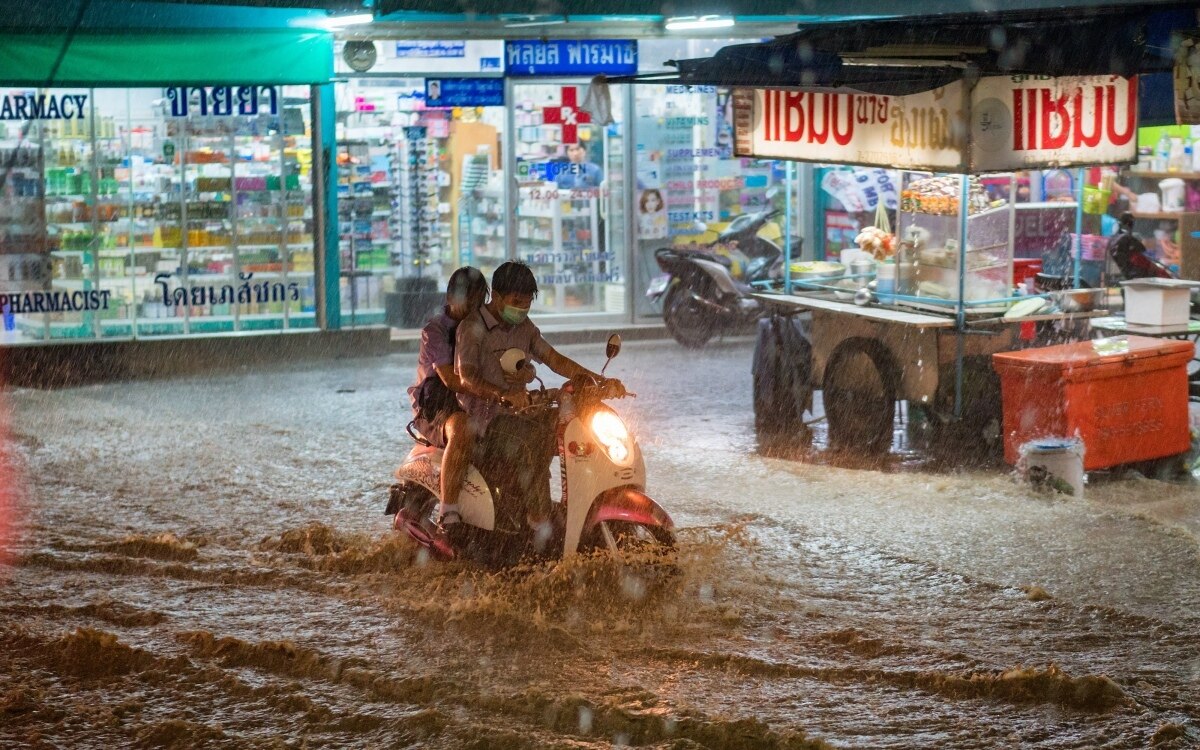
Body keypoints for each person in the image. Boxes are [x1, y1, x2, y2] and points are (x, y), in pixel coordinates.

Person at [455, 261, 622, 545]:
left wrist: (597, 382)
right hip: (486, 421)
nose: (521, 310)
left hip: (522, 413)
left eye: (527, 304)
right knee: (531, 441)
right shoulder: (472, 328)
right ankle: (540, 524)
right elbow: (466, 378)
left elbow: (554, 359)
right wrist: (502, 394)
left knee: (574, 428)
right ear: (496, 296)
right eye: (516, 302)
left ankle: (580, 509)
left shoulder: (525, 328)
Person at [407, 267, 504, 532]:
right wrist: (497, 392)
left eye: (478, 301)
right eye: (467, 300)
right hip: (439, 403)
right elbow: (450, 380)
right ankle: (447, 513)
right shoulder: (435, 330)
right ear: (450, 296)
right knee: (462, 428)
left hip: (477, 397)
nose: (473, 307)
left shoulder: (486, 327)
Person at [1106, 212, 1173, 281]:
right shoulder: (1126, 237)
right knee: (1158, 271)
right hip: (1133, 268)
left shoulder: (1113, 238)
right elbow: (1142, 248)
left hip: (1127, 268)